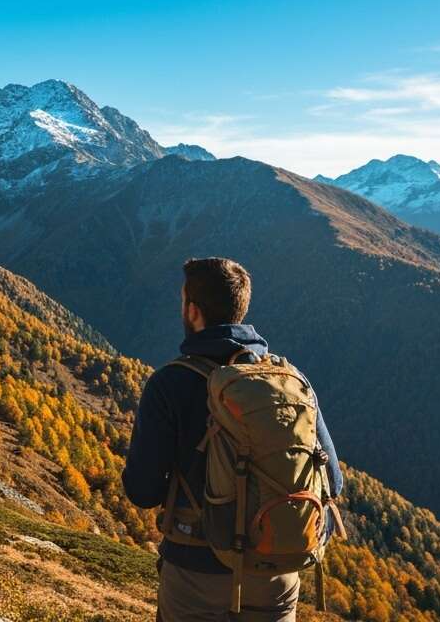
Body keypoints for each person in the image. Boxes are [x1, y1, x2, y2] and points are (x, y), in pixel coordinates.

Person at [123, 257, 343, 622]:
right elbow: (333, 481)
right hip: (275, 570)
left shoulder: (170, 384)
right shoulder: (289, 379)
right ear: (241, 309)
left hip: (196, 571)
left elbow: (142, 492)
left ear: (193, 311)